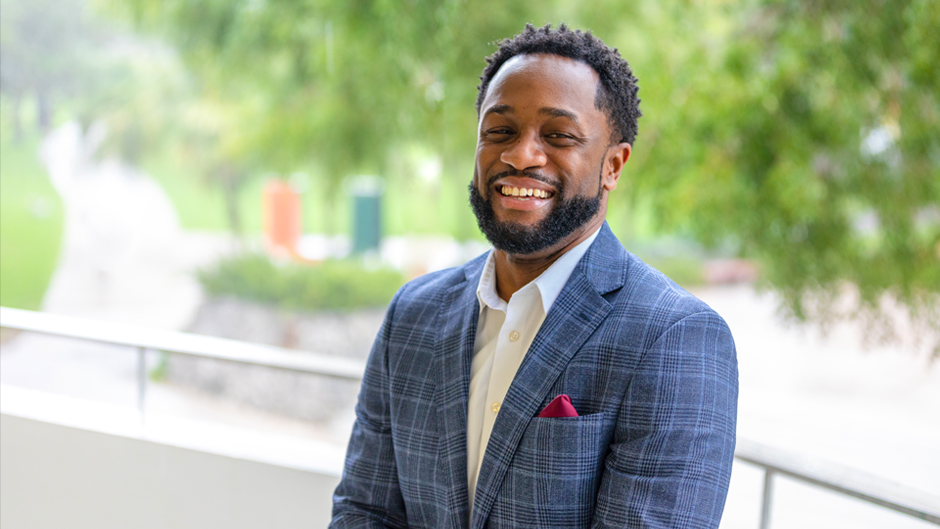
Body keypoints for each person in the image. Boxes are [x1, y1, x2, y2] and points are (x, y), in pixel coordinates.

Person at [331, 24, 738, 529]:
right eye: (499, 131)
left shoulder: (674, 338)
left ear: (613, 164)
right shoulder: (412, 315)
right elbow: (365, 511)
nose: (521, 155)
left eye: (558, 136)